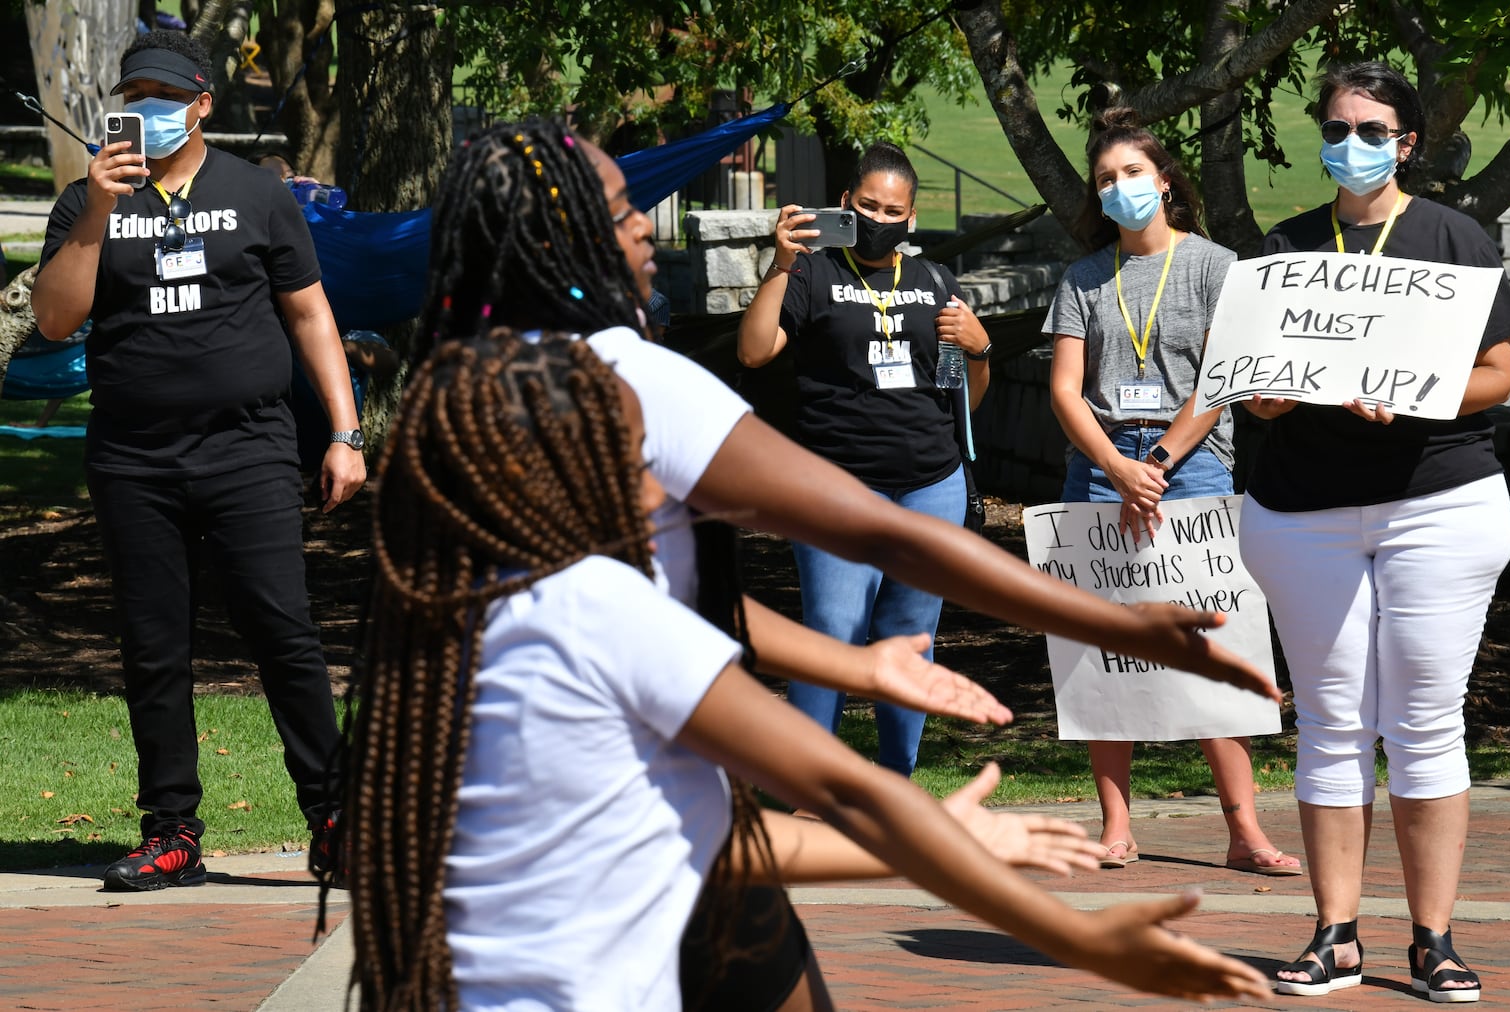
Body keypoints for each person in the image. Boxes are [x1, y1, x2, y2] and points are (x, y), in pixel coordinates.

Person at [346, 323, 1271, 1010]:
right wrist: (1071, 934)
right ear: (560, 479)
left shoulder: (446, 627)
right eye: (634, 457)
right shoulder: (602, 611)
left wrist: (943, 831)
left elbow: (711, 842)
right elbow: (847, 790)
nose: (668, 481)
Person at [30, 30, 364, 891]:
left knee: (283, 634)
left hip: (247, 449)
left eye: (164, 94)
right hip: (134, 459)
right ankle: (172, 832)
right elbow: (58, 321)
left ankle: (334, 823)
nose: (148, 108)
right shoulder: (85, 202)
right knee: (154, 648)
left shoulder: (258, 195)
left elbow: (311, 316)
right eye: (133, 92)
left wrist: (345, 432)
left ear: (203, 103)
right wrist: (101, 212)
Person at [1238, 62, 1510, 1002]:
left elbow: (1498, 374)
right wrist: (1269, 398)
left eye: (1370, 129)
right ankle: (1335, 932)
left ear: (1406, 142)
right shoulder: (1282, 250)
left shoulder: (1452, 237)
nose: (1348, 143)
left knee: (1424, 722)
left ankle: (1434, 938)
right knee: (1328, 722)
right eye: (1335, 125)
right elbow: (1251, 383)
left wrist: (1412, 402)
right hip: (1302, 514)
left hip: (1436, 503)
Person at [1044, 108, 1301, 878]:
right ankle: (1114, 825)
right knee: (1102, 641)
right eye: (1105, 180)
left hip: (1189, 463)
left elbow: (1224, 383)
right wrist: (1117, 467)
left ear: (1163, 181)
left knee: (1209, 641)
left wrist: (1151, 462)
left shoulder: (1216, 266)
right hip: (1098, 463)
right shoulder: (1083, 278)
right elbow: (1064, 390)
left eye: (1131, 173)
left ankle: (1244, 829)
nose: (1120, 189)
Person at [737, 141, 994, 775]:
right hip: (838, 488)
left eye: (894, 210)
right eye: (869, 205)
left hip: (931, 485)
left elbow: (963, 398)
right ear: (847, 203)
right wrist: (779, 264)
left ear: (911, 217)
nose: (881, 219)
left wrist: (980, 349)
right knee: (831, 634)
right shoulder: (812, 272)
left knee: (911, 640)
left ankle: (896, 778)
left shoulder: (934, 281)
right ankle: (808, 783)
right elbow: (754, 350)